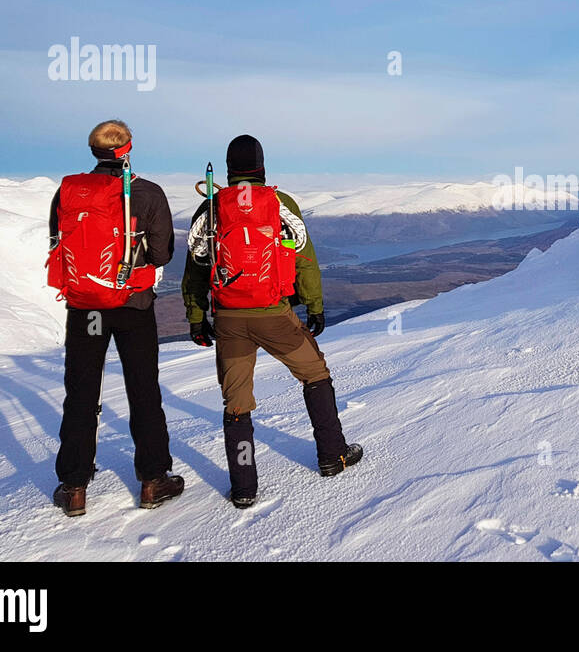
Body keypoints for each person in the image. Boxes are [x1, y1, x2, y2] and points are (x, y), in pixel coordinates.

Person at [182, 135, 362, 508]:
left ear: (229, 171)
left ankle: (245, 487)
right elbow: (304, 259)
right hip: (275, 316)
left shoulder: (212, 209)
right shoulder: (280, 204)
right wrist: (314, 306)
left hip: (230, 320)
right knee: (315, 374)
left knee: (237, 402)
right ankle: (333, 454)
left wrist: (197, 320)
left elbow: (196, 272)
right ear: (262, 168)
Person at [48, 120, 184, 516]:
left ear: (93, 151)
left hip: (86, 307)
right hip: (133, 304)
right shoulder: (148, 193)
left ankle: (74, 487)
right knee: (143, 390)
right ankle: (153, 480)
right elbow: (161, 255)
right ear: (128, 148)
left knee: (81, 393)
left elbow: (57, 242)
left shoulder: (68, 192)